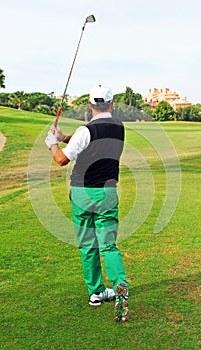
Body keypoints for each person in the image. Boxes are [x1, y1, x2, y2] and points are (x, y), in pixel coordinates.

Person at [45, 84, 129, 322]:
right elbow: (86, 141)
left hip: (82, 193)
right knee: (108, 246)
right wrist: (63, 138)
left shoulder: (85, 130)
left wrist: (52, 143)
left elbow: (62, 159)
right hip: (106, 193)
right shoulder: (119, 127)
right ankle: (119, 286)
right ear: (112, 104)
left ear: (90, 104)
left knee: (87, 245)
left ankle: (96, 292)